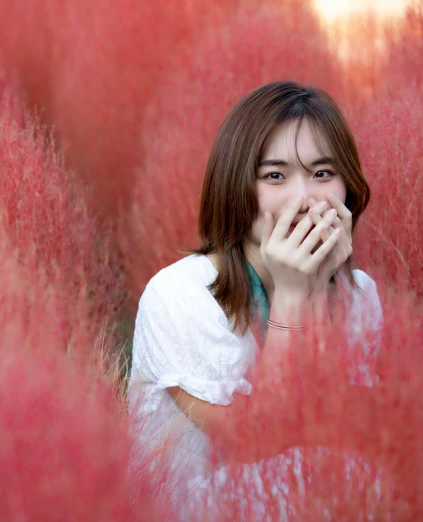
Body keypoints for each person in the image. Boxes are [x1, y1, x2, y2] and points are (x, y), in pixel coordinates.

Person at [126, 81, 383, 519]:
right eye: (275, 176)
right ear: (237, 186)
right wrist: (293, 293)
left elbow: (332, 438)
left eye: (322, 174)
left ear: (348, 189)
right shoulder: (180, 295)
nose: (302, 200)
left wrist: (319, 290)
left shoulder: (360, 297)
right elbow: (259, 442)